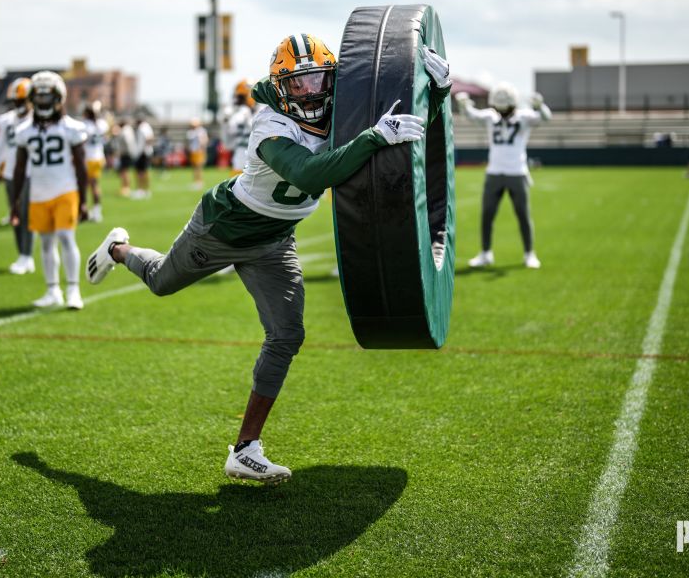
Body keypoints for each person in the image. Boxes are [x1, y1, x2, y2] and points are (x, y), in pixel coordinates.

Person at [85, 34, 448, 483]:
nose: (311, 92)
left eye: (317, 79)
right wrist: (373, 136)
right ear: (280, 88)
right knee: (160, 281)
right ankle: (119, 248)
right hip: (226, 227)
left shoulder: (339, 114)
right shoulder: (270, 125)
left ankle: (245, 449)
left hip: (276, 238)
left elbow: (406, 138)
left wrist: (437, 93)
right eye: (298, 84)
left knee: (287, 332)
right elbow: (311, 173)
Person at [10, 71, 89, 308]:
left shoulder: (71, 128)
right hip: (38, 193)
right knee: (45, 243)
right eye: (39, 97)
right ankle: (53, 291)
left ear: (58, 98)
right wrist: (15, 201)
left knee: (66, 237)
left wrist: (83, 200)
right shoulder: (25, 130)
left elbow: (81, 167)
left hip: (65, 190)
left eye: (47, 97)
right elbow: (19, 168)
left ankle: (73, 290)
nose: (43, 102)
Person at [457, 85, 551, 269]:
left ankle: (529, 253)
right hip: (494, 172)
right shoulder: (491, 116)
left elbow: (546, 117)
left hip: (517, 172)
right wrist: (463, 105)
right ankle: (485, 253)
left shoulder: (523, 116)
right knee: (487, 215)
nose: (502, 111)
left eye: (505, 108)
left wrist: (540, 106)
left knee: (523, 215)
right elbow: (471, 115)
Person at [0, 77, 36, 273]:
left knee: (26, 214)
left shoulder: (37, 120)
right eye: (16, 101)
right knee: (15, 215)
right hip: (9, 172)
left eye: (22, 100)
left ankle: (27, 255)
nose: (18, 105)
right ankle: (22, 255)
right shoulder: (5, 120)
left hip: (31, 173)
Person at [81, 103, 109, 222]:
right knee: (92, 185)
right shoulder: (101, 124)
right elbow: (106, 136)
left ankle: (90, 212)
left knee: (87, 186)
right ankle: (94, 211)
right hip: (99, 157)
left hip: (89, 158)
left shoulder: (85, 126)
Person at [224, 79, 257, 176]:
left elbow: (233, 128)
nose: (237, 100)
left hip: (250, 153)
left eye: (240, 97)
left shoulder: (252, 111)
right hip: (242, 152)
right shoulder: (241, 111)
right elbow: (229, 137)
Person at [132, 117, 154, 199]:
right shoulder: (147, 126)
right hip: (145, 152)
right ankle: (145, 190)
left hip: (142, 153)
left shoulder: (143, 128)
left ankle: (141, 190)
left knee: (141, 172)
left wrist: (144, 148)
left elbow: (148, 138)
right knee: (144, 172)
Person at [186, 117, 209, 189]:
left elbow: (204, 140)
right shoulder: (191, 131)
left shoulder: (201, 131)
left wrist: (202, 149)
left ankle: (199, 182)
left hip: (199, 151)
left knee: (198, 167)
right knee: (194, 167)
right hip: (193, 151)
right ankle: (196, 181)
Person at [115, 119, 134, 197]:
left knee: (125, 172)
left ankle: (126, 188)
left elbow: (127, 143)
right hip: (126, 153)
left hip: (126, 154)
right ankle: (125, 188)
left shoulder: (125, 131)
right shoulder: (127, 130)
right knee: (124, 172)